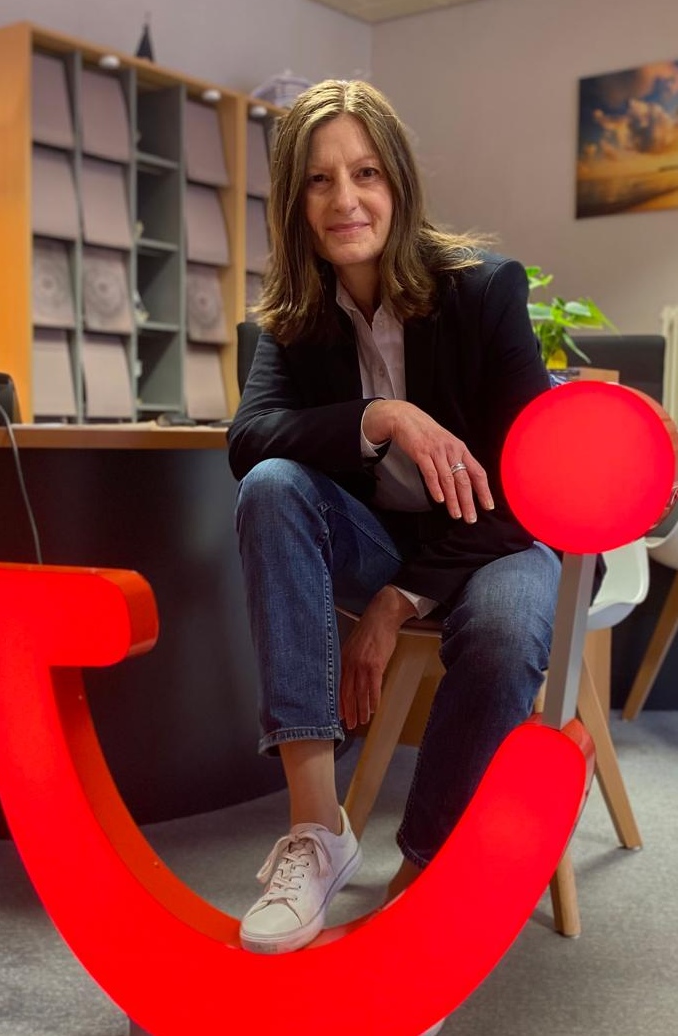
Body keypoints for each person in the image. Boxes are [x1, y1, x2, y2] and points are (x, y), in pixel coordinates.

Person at [227, 79, 560, 962]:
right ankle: (317, 831)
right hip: (383, 540)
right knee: (272, 487)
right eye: (319, 180)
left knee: (506, 627)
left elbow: (527, 491)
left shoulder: (484, 290)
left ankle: (422, 884)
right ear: (295, 203)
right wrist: (382, 416)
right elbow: (249, 441)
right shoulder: (297, 318)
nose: (345, 200)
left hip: (495, 541)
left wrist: (395, 602)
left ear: (398, 183)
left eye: (365, 172)